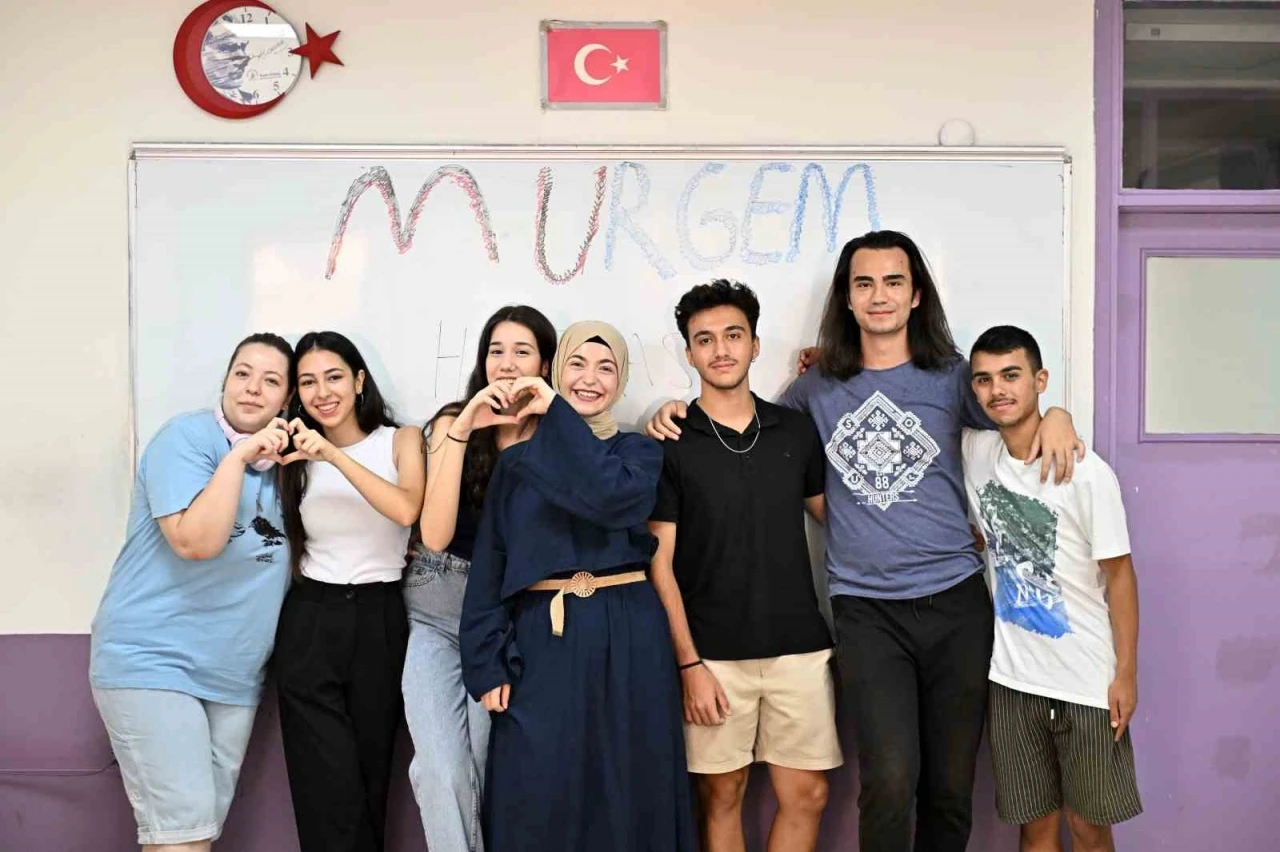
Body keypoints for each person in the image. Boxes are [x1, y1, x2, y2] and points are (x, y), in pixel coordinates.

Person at [646, 230, 1084, 852]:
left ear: (915, 295)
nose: (879, 295)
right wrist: (665, 412)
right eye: (864, 283)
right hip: (865, 610)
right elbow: (743, 431)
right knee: (890, 780)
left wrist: (1059, 414)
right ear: (847, 298)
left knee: (950, 787)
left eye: (893, 281)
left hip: (956, 602)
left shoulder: (952, 377)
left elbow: (1014, 411)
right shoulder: (814, 391)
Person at [460, 321, 697, 852]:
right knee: (540, 786)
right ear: (555, 371)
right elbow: (490, 566)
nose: (590, 379)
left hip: (629, 632)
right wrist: (485, 663)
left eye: (606, 367)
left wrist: (557, 416)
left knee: (631, 781)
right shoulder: (517, 464)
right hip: (542, 639)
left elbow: (612, 497)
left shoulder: (639, 454)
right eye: (577, 365)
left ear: (621, 379)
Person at [647, 280, 840, 852]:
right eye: (704, 339)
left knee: (807, 795)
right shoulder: (671, 440)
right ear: (689, 353)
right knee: (721, 796)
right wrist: (689, 664)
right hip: (711, 655)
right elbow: (660, 564)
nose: (721, 349)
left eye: (733, 335)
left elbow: (840, 521)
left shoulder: (795, 430)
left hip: (798, 647)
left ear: (755, 345)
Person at [89, 332, 295, 851]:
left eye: (271, 380)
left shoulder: (290, 468)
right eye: (242, 374)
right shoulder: (187, 440)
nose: (252, 388)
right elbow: (195, 542)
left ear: (287, 398)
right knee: (184, 835)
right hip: (154, 661)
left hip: (233, 679)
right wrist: (238, 456)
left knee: (188, 836)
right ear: (225, 380)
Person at [962, 325, 1141, 852]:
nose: (998, 390)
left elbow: (1120, 576)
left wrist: (1126, 673)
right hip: (1012, 680)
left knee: (1089, 828)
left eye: (1011, 375)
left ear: (1040, 380)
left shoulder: (1087, 474)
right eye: (984, 379)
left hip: (1086, 681)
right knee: (1035, 830)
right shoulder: (977, 453)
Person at [403, 305, 557, 852]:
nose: (507, 364)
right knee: (438, 768)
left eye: (522, 351)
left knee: (487, 763)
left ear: (545, 363)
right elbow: (435, 533)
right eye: (496, 351)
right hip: (437, 606)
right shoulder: (453, 422)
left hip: (507, 615)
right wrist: (464, 427)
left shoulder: (555, 432)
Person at [274, 331, 426, 852]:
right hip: (311, 618)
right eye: (307, 382)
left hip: (380, 616)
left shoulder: (401, 440)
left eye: (334, 377)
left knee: (369, 778)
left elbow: (406, 509)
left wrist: (334, 456)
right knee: (324, 787)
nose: (322, 392)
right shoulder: (293, 455)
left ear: (359, 380)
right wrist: (310, 451)